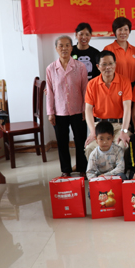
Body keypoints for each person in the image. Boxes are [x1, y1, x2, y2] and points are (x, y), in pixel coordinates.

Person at [46, 35, 88, 177]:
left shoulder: (80, 67)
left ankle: (82, 168)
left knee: (81, 141)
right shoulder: (51, 68)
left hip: (78, 110)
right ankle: (66, 170)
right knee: (62, 142)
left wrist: (85, 109)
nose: (64, 48)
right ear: (56, 48)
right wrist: (50, 112)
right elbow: (50, 92)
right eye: (61, 45)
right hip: (59, 111)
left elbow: (85, 89)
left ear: (71, 48)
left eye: (67, 45)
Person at [83, 50, 132, 158]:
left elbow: (127, 107)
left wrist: (124, 131)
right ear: (98, 66)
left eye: (110, 63)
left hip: (119, 125)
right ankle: (97, 170)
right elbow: (88, 110)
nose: (108, 67)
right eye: (104, 64)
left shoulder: (124, 81)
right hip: (99, 126)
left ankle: (119, 169)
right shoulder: (92, 84)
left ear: (115, 64)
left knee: (122, 146)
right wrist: (93, 132)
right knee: (90, 148)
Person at [103, 17, 135, 87]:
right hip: (115, 86)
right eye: (120, 29)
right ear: (115, 31)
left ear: (129, 31)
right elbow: (104, 71)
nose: (123, 32)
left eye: (126, 29)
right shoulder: (108, 49)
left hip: (133, 86)